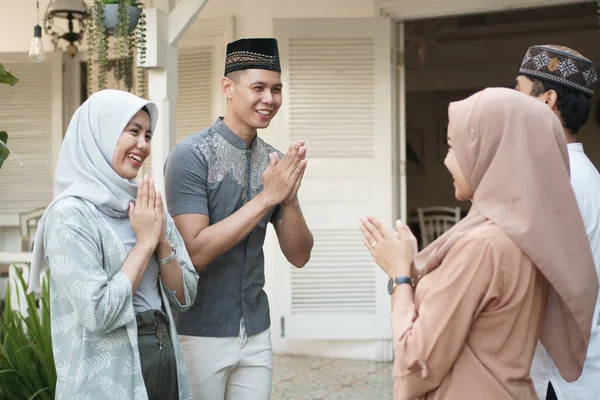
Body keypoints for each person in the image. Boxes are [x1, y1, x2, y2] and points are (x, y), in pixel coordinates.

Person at [359, 87, 598, 399]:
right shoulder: (526, 232)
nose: (446, 161)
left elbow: (416, 360)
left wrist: (399, 276)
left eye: (453, 147)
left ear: (490, 151)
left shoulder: (484, 246)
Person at [164, 38, 314, 399]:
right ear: (228, 88)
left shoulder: (274, 161)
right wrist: (267, 198)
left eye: (276, 89)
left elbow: (299, 255)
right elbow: (194, 252)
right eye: (258, 87)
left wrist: (288, 200)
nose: (269, 99)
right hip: (199, 332)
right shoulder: (190, 155)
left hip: (256, 333)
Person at [27, 89, 199, 400]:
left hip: (163, 358)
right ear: (100, 134)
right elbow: (99, 314)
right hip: (108, 377)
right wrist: (144, 243)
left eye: (148, 134)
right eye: (133, 131)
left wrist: (160, 241)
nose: (143, 144)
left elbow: (185, 296)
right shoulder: (70, 215)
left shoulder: (146, 205)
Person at [515, 44, 600, 400]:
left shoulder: (561, 178)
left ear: (548, 99)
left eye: (519, 91)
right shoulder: (579, 172)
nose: (513, 103)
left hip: (560, 378)